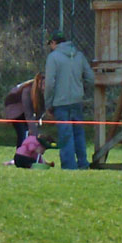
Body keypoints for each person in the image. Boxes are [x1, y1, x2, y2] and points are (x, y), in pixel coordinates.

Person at [44, 30, 95, 170]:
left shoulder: (53, 57)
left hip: (61, 103)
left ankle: (69, 165)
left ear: (54, 43)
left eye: (51, 44)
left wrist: (48, 103)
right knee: (79, 133)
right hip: (77, 101)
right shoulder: (78, 55)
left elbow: (49, 83)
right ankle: (83, 163)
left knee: (65, 135)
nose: (50, 47)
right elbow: (91, 77)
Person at [4, 73, 45, 148]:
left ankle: (32, 156)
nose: (44, 87)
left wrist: (38, 120)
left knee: (32, 130)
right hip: (14, 108)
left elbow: (42, 108)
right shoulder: (27, 89)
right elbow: (28, 113)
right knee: (22, 133)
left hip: (25, 110)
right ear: (38, 83)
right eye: (42, 84)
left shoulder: (47, 91)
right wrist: (35, 133)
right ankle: (20, 156)